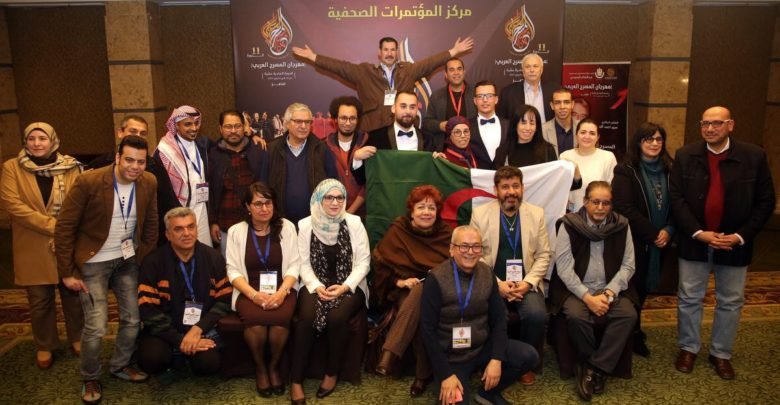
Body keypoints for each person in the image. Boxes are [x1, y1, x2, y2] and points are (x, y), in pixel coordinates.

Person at [670, 106, 775, 380]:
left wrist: (740, 236)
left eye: (716, 123)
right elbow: (676, 199)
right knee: (689, 298)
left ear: (730, 125)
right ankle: (688, 348)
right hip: (695, 241)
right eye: (705, 123)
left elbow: (766, 201)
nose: (710, 129)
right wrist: (697, 232)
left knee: (731, 300)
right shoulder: (685, 155)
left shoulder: (754, 156)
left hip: (734, 243)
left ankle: (721, 353)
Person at [55, 135, 158, 404]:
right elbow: (64, 227)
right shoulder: (88, 182)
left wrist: (143, 259)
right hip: (93, 262)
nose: (135, 167)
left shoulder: (149, 181)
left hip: (127, 261)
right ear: (117, 157)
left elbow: (151, 223)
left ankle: (120, 364)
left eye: (141, 161)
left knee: (133, 318)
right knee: (97, 325)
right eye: (129, 160)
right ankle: (90, 376)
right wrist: (67, 272)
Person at [421, 225, 538, 405]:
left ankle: (488, 393)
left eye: (476, 246)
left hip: (482, 347)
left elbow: (499, 319)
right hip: (451, 356)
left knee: (529, 356)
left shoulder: (487, 273)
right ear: (452, 249)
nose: (470, 252)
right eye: (464, 246)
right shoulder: (435, 279)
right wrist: (445, 374)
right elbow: (427, 331)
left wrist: (496, 359)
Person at [0, 122, 84, 370]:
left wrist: (63, 229)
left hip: (67, 241)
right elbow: (12, 204)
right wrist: (53, 226)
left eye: (42, 138)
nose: (37, 143)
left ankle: (78, 337)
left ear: (53, 141)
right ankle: (45, 344)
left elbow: (79, 202)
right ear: (25, 142)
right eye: (32, 139)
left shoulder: (70, 166)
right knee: (39, 300)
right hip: (32, 243)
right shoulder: (12, 167)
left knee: (73, 296)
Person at [550, 181, 637, 402]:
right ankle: (595, 365)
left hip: (610, 289)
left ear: (611, 205)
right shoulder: (569, 225)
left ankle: (594, 368)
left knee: (628, 315)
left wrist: (609, 294)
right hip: (576, 289)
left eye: (605, 203)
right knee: (576, 316)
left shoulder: (622, 225)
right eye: (595, 202)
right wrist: (587, 298)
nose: (600, 207)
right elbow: (564, 268)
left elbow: (628, 266)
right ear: (585, 202)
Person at [290, 179, 370, 404]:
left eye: (340, 198)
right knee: (306, 318)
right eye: (329, 197)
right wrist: (317, 287)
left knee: (336, 317)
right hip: (314, 283)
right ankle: (295, 380)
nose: (335, 203)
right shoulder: (305, 225)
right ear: (319, 198)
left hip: (350, 284)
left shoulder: (354, 223)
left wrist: (344, 287)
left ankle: (332, 373)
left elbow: (364, 263)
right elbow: (303, 263)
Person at [470, 166, 551, 386]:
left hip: (526, 283)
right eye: (505, 187)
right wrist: (498, 284)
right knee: (496, 316)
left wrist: (527, 283)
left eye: (516, 186)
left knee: (537, 315)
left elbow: (544, 255)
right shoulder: (480, 214)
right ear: (496, 190)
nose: (511, 191)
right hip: (493, 283)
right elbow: (475, 255)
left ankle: (525, 362)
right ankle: (494, 360)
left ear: (522, 188)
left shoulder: (536, 214)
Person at [292, 36, 474, 132]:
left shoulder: (408, 70)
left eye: (393, 50)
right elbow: (339, 67)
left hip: (403, 129)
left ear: (397, 52)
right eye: (386, 50)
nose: (389, 53)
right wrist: (314, 57)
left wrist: (454, 51)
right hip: (373, 130)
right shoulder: (364, 71)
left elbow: (430, 63)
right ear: (379, 52)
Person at [371, 185, 452, 397]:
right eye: (421, 207)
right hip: (402, 290)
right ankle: (422, 375)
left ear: (437, 212)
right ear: (412, 211)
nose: (426, 212)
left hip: (438, 290)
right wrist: (399, 281)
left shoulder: (446, 234)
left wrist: (436, 276)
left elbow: (455, 267)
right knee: (418, 301)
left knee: (422, 292)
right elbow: (380, 266)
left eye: (431, 208)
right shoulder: (399, 230)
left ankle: (389, 353)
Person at [137, 207, 232, 378]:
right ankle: (178, 350)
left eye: (191, 227)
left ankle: (181, 354)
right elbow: (148, 310)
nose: (186, 233)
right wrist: (179, 339)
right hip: (166, 331)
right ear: (167, 234)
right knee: (152, 360)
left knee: (209, 364)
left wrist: (198, 329)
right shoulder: (152, 262)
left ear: (197, 229)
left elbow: (224, 300)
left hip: (202, 328)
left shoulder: (214, 258)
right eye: (178, 229)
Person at [225, 182, 300, 397]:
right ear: (248, 206)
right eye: (258, 204)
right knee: (256, 326)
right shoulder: (236, 231)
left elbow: (295, 264)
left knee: (279, 322)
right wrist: (254, 295)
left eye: (268, 202)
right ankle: (260, 368)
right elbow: (232, 270)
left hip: (282, 288)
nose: (264, 208)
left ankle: (274, 367)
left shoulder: (287, 227)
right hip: (249, 290)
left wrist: (282, 292)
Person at [611, 122, 675, 357]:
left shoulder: (671, 169)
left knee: (646, 287)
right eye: (649, 139)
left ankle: (635, 328)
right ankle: (632, 332)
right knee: (633, 287)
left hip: (663, 240)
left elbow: (678, 202)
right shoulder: (626, 169)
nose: (654, 144)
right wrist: (653, 234)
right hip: (635, 240)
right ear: (639, 142)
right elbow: (624, 207)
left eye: (658, 139)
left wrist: (669, 229)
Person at [207, 110, 268, 256]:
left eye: (237, 126)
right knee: (229, 266)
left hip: (255, 225)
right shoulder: (212, 155)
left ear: (244, 128)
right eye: (228, 127)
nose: (233, 131)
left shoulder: (258, 151)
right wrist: (213, 222)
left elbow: (266, 185)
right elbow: (211, 192)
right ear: (220, 129)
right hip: (225, 226)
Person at [266, 102, 338, 225]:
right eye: (298, 121)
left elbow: (334, 185)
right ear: (287, 123)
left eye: (307, 122)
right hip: (280, 222)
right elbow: (263, 186)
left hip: (316, 222)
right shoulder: (272, 149)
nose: (304, 126)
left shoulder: (322, 149)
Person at [153, 105, 213, 247]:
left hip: (202, 210)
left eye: (196, 123)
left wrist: (252, 136)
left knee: (202, 253)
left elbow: (225, 146)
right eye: (188, 124)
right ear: (176, 125)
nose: (194, 128)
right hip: (178, 213)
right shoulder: (164, 152)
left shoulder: (203, 145)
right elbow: (163, 193)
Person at [352, 91, 436, 184]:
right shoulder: (376, 137)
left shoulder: (428, 139)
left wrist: (438, 162)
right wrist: (357, 159)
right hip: (387, 193)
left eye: (412, 107)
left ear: (417, 110)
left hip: (418, 192)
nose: (408, 111)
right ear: (393, 108)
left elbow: (432, 176)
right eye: (403, 106)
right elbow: (362, 179)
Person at [324, 96, 369, 216]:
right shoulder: (324, 146)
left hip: (363, 213)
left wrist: (350, 211)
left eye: (352, 118)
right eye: (343, 118)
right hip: (332, 211)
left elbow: (370, 182)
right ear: (335, 119)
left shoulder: (368, 143)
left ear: (358, 120)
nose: (348, 123)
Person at [559, 119, 617, 212]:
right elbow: (559, 188)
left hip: (599, 213)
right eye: (583, 132)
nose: (587, 136)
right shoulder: (565, 156)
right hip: (571, 214)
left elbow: (612, 190)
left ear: (598, 137)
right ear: (576, 135)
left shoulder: (608, 157)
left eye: (592, 133)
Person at [422, 57, 477, 151]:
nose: (456, 73)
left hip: (472, 150)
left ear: (464, 72)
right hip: (445, 151)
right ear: (446, 74)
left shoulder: (475, 93)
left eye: (459, 69)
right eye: (452, 70)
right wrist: (440, 125)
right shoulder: (436, 96)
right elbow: (427, 123)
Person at [498, 53, 557, 122]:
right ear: (522, 70)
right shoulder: (508, 92)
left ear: (541, 70)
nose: (531, 70)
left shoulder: (554, 90)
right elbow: (502, 121)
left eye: (535, 66)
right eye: (527, 66)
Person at [469, 80, 510, 169]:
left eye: (489, 96)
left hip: (503, 176)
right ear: (475, 101)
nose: (485, 100)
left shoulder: (509, 125)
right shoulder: (466, 126)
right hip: (477, 176)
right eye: (480, 96)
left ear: (496, 99)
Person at [86, 115, 150, 170]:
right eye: (133, 131)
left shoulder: (153, 166)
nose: (138, 136)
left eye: (143, 133)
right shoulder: (99, 164)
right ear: (120, 133)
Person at [542, 88, 579, 157]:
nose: (562, 107)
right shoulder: (542, 131)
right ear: (552, 105)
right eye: (558, 103)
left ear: (572, 104)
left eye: (566, 102)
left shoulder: (582, 128)